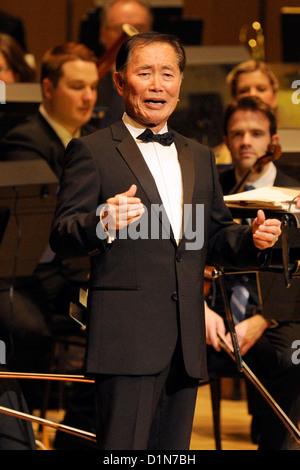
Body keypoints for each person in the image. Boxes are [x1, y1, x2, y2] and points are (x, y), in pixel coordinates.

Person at [49, 32, 281, 451]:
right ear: (120, 83)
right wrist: (102, 221)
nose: (157, 85)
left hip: (185, 344)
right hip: (127, 341)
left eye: (167, 74)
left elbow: (214, 236)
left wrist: (253, 242)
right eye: (145, 73)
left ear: (179, 84)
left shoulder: (199, 155)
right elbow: (63, 233)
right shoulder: (92, 150)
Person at [0, 42, 99, 415]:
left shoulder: (94, 138)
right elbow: (52, 220)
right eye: (76, 86)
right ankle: (19, 431)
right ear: (47, 88)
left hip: (72, 270)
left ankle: (81, 434)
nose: (88, 96)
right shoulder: (25, 141)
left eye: (92, 86)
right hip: (25, 275)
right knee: (28, 332)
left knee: (124, 323)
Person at [205, 96, 300, 450]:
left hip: (275, 317)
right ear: (227, 141)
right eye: (237, 133)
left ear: (272, 142)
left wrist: (262, 320)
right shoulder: (212, 185)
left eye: (256, 133)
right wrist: (205, 313)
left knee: (294, 356)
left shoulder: (295, 190)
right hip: (214, 314)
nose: (246, 141)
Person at [93, 0, 153, 127]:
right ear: (103, 34)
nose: (130, 37)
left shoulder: (167, 80)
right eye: (119, 28)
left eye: (139, 28)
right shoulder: (90, 79)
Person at [214, 60, 279, 167]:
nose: (253, 95)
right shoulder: (218, 159)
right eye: (244, 91)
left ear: (274, 97)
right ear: (234, 98)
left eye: (261, 89)